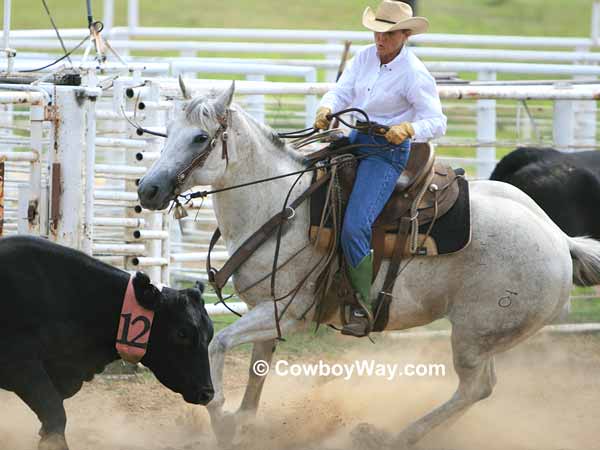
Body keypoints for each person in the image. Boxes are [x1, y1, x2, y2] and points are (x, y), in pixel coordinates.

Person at [314, 0, 447, 337]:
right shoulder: (364, 57)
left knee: (356, 224)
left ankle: (361, 305)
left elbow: (437, 121)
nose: (380, 39)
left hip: (385, 153)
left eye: (388, 34)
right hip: (355, 139)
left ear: (404, 35)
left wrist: (409, 129)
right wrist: (327, 106)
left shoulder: (415, 73)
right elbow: (343, 89)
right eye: (377, 32)